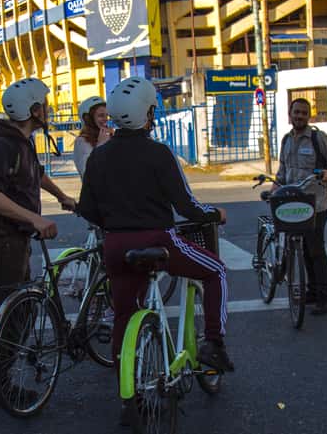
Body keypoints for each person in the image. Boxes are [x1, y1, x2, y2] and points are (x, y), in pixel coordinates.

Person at [78, 76, 231, 423]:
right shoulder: (159, 153)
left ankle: (127, 395)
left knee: (122, 315)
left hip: (115, 245)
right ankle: (214, 342)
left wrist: (116, 219)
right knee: (216, 271)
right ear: (146, 114)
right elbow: (187, 205)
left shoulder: (99, 158)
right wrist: (215, 213)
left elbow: (88, 209)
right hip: (158, 241)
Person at [0, 78, 77, 403]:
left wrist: (61, 196)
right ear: (33, 109)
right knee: (10, 316)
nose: (48, 108)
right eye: (43, 104)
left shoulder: (22, 142)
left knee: (19, 310)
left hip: (14, 239)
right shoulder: (4, 145)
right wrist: (34, 218)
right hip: (2, 239)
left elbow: (36, 173)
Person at [273, 98, 327, 315]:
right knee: (302, 249)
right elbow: (282, 172)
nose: (299, 116)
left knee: (315, 249)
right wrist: (273, 190)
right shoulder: (286, 140)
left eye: (304, 113)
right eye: (296, 112)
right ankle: (312, 292)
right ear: (290, 114)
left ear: (309, 116)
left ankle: (324, 297)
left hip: (315, 204)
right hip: (291, 204)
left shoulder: (318, 138)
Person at [73, 95, 112, 177]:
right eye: (101, 115)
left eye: (106, 115)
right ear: (88, 119)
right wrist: (100, 145)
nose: (106, 119)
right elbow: (87, 174)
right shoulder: (82, 141)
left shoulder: (108, 137)